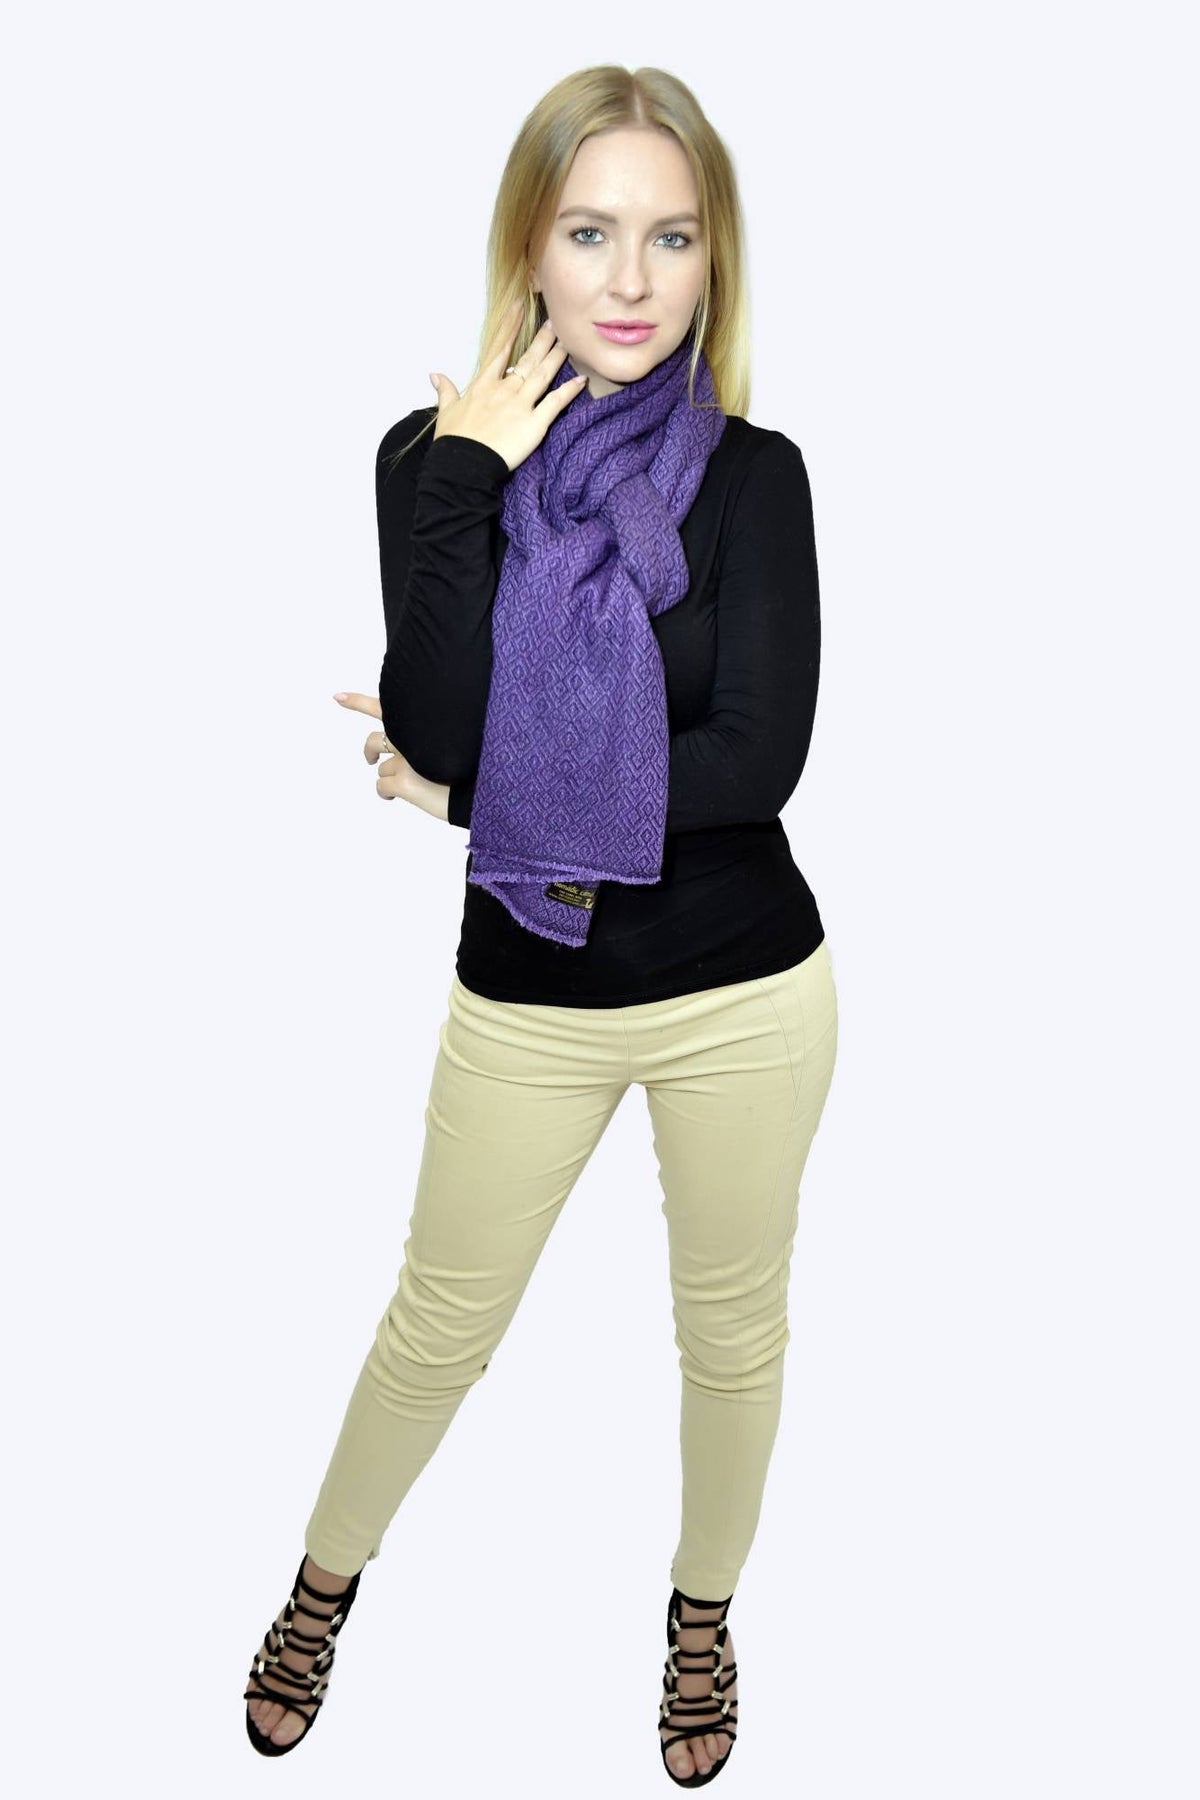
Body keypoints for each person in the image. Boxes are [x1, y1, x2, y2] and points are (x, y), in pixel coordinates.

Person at [243, 63, 838, 1787]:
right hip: (527, 993)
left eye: (673, 237)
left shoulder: (757, 478)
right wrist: (463, 481)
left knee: (732, 1331)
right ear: (528, 248)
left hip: (747, 990)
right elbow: (436, 713)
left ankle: (701, 1616)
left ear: (716, 259)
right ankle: (323, 1581)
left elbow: (757, 764)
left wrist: (473, 804)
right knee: (439, 1322)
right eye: (590, 234)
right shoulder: (431, 461)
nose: (632, 280)